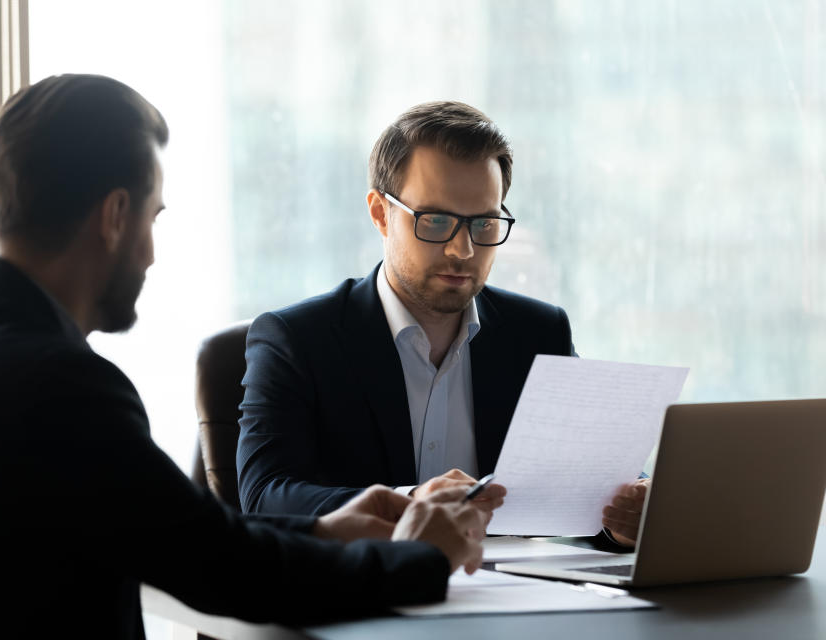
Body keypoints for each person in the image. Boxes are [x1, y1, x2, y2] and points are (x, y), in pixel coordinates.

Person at [0, 76, 496, 639]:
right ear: (115, 216)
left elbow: (179, 534)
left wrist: (327, 530)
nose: (150, 254)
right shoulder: (55, 385)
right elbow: (224, 572)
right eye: (153, 216)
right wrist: (420, 555)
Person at [237, 101, 645, 546]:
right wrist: (410, 505)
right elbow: (265, 496)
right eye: (436, 221)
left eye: (484, 224)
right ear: (380, 213)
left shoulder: (538, 333)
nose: (463, 250)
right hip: (370, 597)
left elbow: (601, 473)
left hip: (519, 599)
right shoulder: (297, 340)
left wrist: (627, 516)